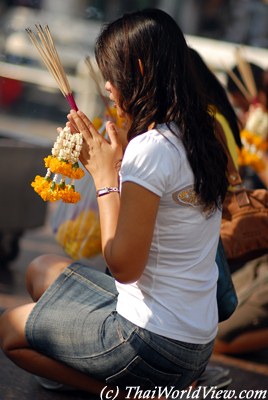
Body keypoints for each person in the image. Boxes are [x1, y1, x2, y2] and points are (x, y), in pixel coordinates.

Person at [0, 8, 229, 396]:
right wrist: (122, 161)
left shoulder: (152, 149)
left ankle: (136, 390)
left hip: (149, 343)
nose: (107, 86)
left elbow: (122, 266)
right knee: (41, 270)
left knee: (9, 331)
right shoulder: (202, 133)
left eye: (111, 74)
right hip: (196, 342)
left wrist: (106, 177)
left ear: (138, 69)